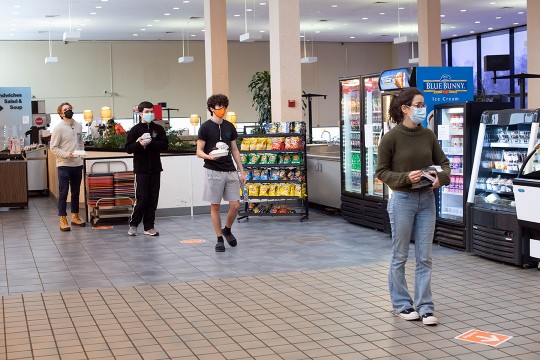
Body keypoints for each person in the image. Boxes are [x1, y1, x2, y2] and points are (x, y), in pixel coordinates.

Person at [375, 87, 450, 326]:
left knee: (425, 256)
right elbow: (382, 172)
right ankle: (401, 304)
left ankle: (426, 307)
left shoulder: (427, 135)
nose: (422, 108)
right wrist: (407, 178)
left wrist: (441, 178)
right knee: (400, 256)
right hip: (402, 201)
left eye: (423, 104)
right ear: (405, 108)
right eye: (418, 105)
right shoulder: (391, 138)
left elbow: (444, 163)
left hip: (427, 200)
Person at [197, 94, 246, 252]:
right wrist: (208, 156)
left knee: (235, 205)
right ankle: (219, 239)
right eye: (219, 107)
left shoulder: (229, 127)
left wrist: (241, 171)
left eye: (224, 106)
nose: (222, 110)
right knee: (215, 206)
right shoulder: (205, 127)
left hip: (230, 170)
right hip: (213, 170)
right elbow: (198, 151)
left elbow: (234, 150)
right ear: (212, 108)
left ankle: (227, 229)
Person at [125, 101, 168, 236]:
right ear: (140, 113)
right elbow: (128, 149)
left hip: (155, 169)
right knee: (142, 198)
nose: (150, 114)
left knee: (153, 198)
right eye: (147, 112)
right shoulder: (135, 130)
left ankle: (149, 226)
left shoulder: (158, 129)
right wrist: (140, 143)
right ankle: (133, 224)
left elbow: (164, 145)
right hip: (141, 170)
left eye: (151, 111)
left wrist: (151, 143)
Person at [50, 102, 86, 231]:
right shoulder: (58, 128)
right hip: (64, 165)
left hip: (77, 164)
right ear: (60, 113)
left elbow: (80, 141)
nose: (68, 111)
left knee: (75, 192)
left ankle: (75, 216)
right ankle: (62, 218)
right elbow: (53, 148)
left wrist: (81, 153)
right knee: (64, 192)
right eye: (65, 109)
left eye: (70, 109)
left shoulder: (78, 125)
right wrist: (67, 155)